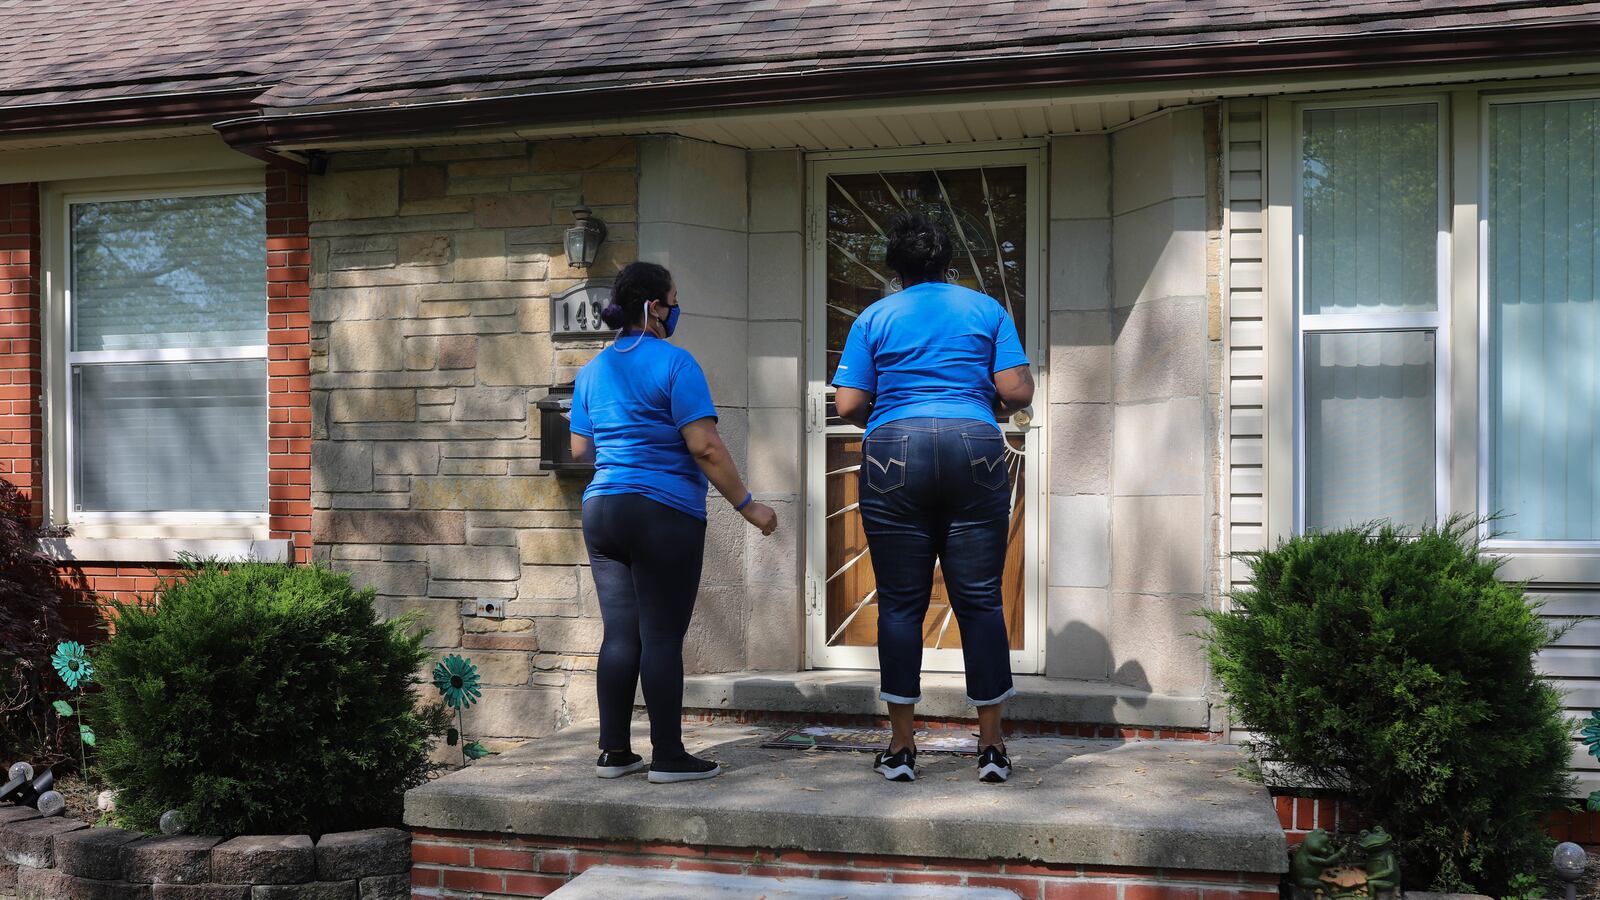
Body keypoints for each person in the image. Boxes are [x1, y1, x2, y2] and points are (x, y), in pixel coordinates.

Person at [832, 212, 1035, 785]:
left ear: (896, 268)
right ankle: (992, 748)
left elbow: (848, 405)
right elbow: (1016, 389)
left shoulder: (875, 316)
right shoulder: (986, 309)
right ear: (948, 261)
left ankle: (901, 749)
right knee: (980, 599)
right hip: (974, 443)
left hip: (896, 447)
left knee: (900, 602)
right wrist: (976, 403)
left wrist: (897, 413)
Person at [569, 261, 778, 784]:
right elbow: (705, 445)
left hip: (603, 512)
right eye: (673, 298)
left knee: (621, 634)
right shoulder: (676, 363)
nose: (676, 307)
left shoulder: (593, 370)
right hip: (663, 514)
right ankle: (668, 757)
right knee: (661, 636)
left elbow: (579, 448)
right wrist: (748, 505)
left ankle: (614, 753)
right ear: (655, 307)